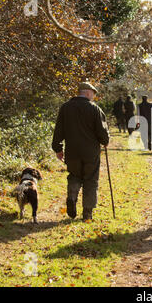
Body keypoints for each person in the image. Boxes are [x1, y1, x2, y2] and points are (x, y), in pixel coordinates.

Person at [52, 82, 110, 222]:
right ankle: (87, 214)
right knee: (91, 180)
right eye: (93, 94)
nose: (93, 97)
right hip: (91, 153)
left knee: (74, 175)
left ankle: (72, 197)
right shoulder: (95, 109)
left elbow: (58, 130)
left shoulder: (65, 108)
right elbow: (102, 132)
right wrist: (105, 141)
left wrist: (58, 149)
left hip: (72, 151)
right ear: (88, 92)